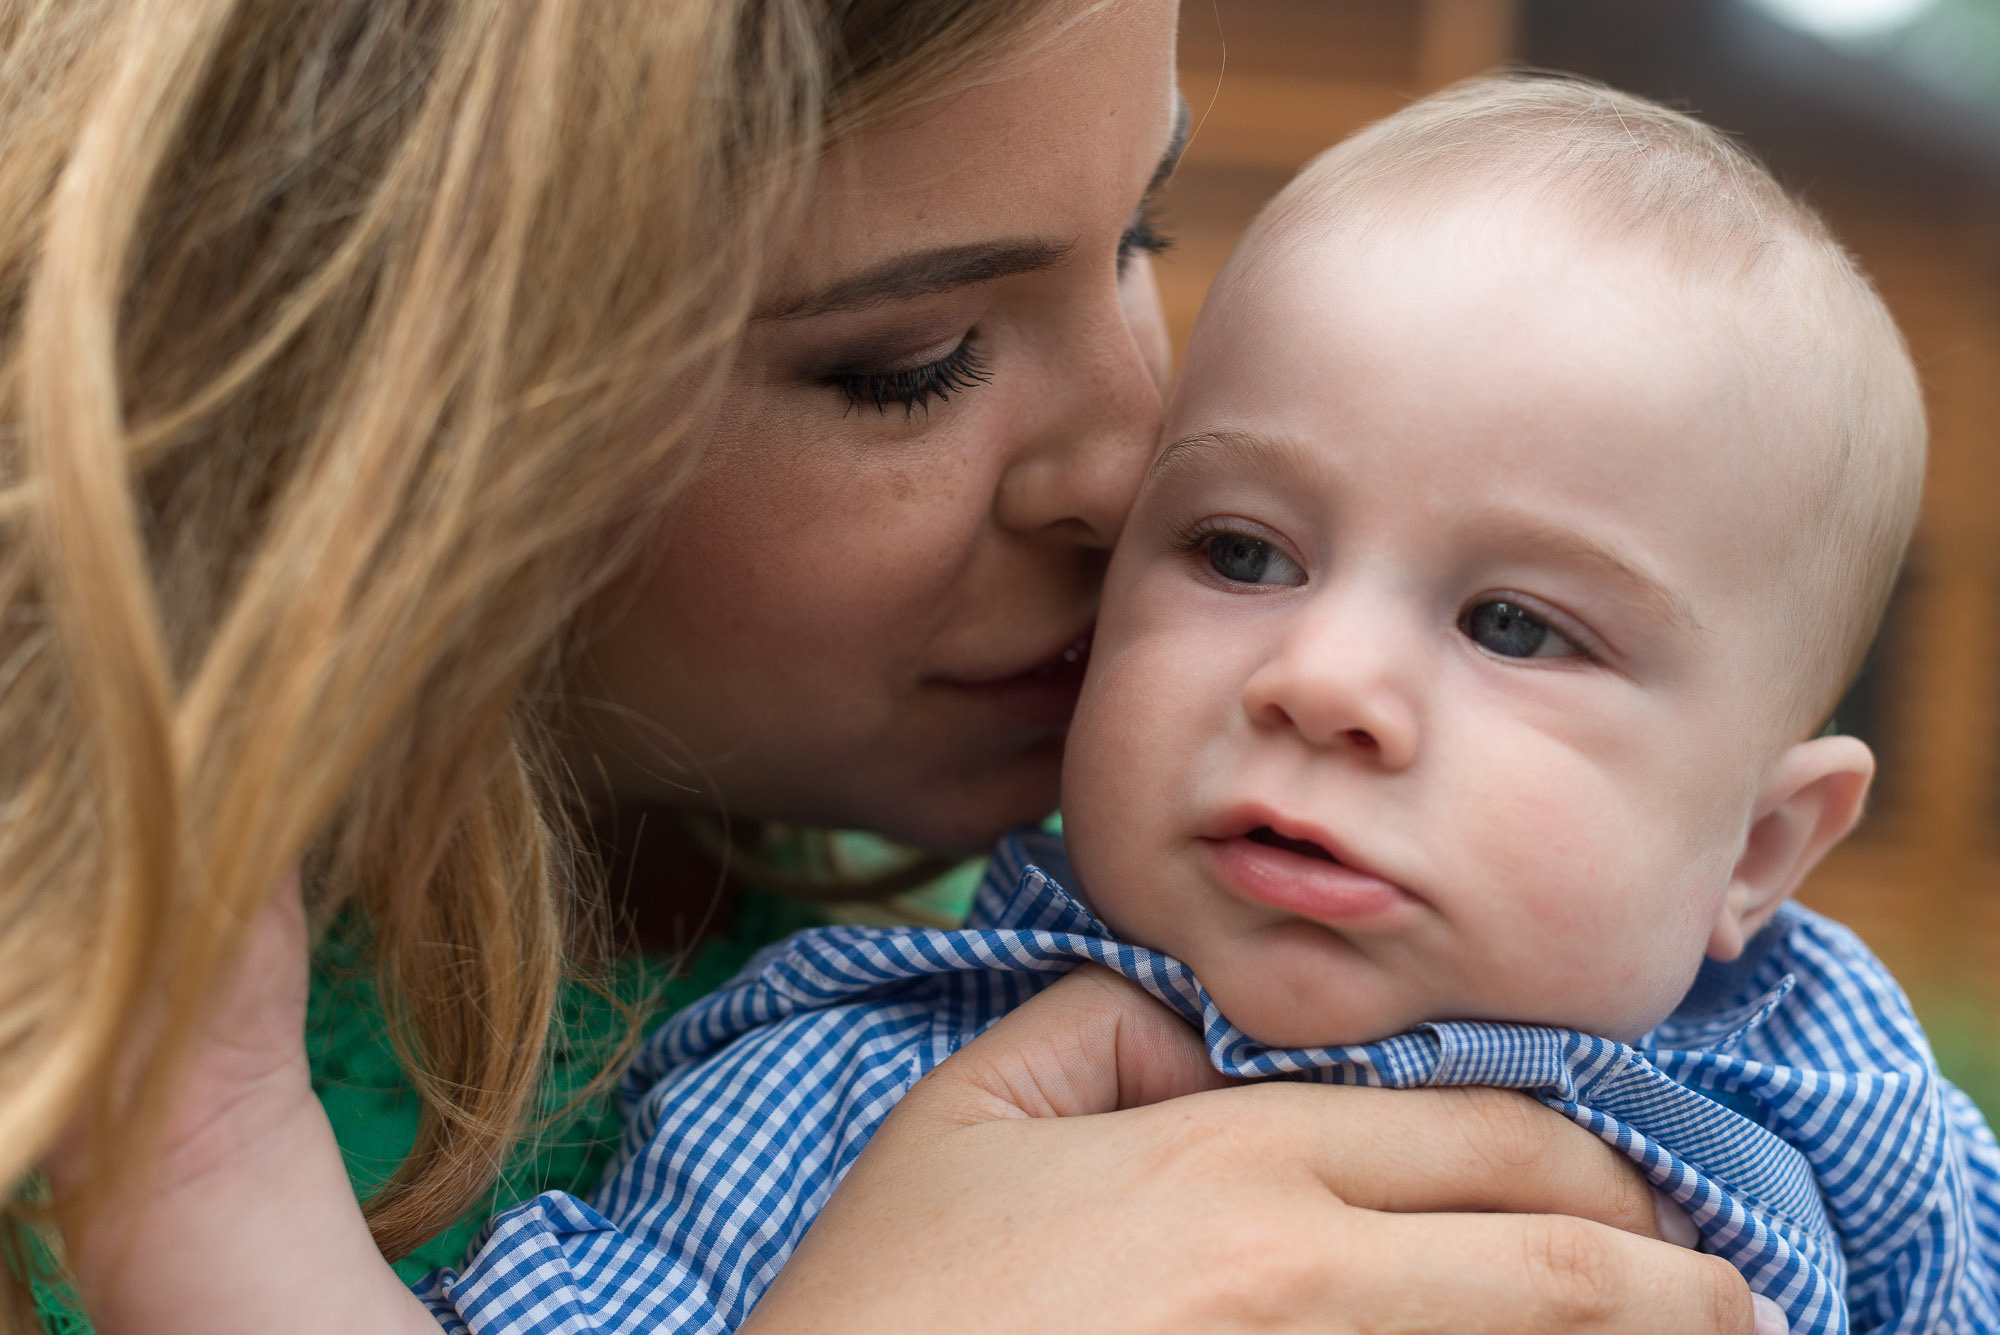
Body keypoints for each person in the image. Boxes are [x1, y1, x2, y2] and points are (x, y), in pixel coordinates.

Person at [133, 74, 2000, 1334]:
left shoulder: (1834, 1100)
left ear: (1759, 846)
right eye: (1246, 552)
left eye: (1515, 626)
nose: (1323, 681)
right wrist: (217, 1168)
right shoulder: (871, 1080)